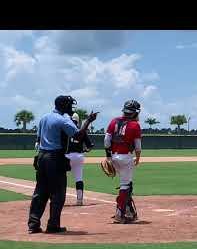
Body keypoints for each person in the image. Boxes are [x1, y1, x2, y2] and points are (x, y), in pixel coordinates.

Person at [27, 96, 97, 234]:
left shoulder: (44, 118)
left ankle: (33, 224)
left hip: (41, 156)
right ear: (64, 106)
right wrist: (88, 120)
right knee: (57, 193)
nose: (71, 108)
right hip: (55, 157)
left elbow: (38, 139)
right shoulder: (63, 120)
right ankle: (53, 225)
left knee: (40, 191)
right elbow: (77, 135)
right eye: (70, 105)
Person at [104, 100, 142, 224]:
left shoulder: (114, 121)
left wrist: (108, 156)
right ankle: (120, 213)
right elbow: (138, 146)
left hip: (114, 157)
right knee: (125, 186)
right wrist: (138, 157)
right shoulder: (135, 125)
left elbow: (106, 141)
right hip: (126, 157)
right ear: (135, 112)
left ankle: (129, 210)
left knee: (127, 184)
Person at [65, 113, 94, 206]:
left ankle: (58, 199)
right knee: (79, 178)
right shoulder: (82, 131)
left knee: (61, 178)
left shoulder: (65, 130)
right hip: (78, 156)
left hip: (66, 157)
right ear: (77, 121)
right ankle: (79, 200)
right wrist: (85, 149)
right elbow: (89, 146)